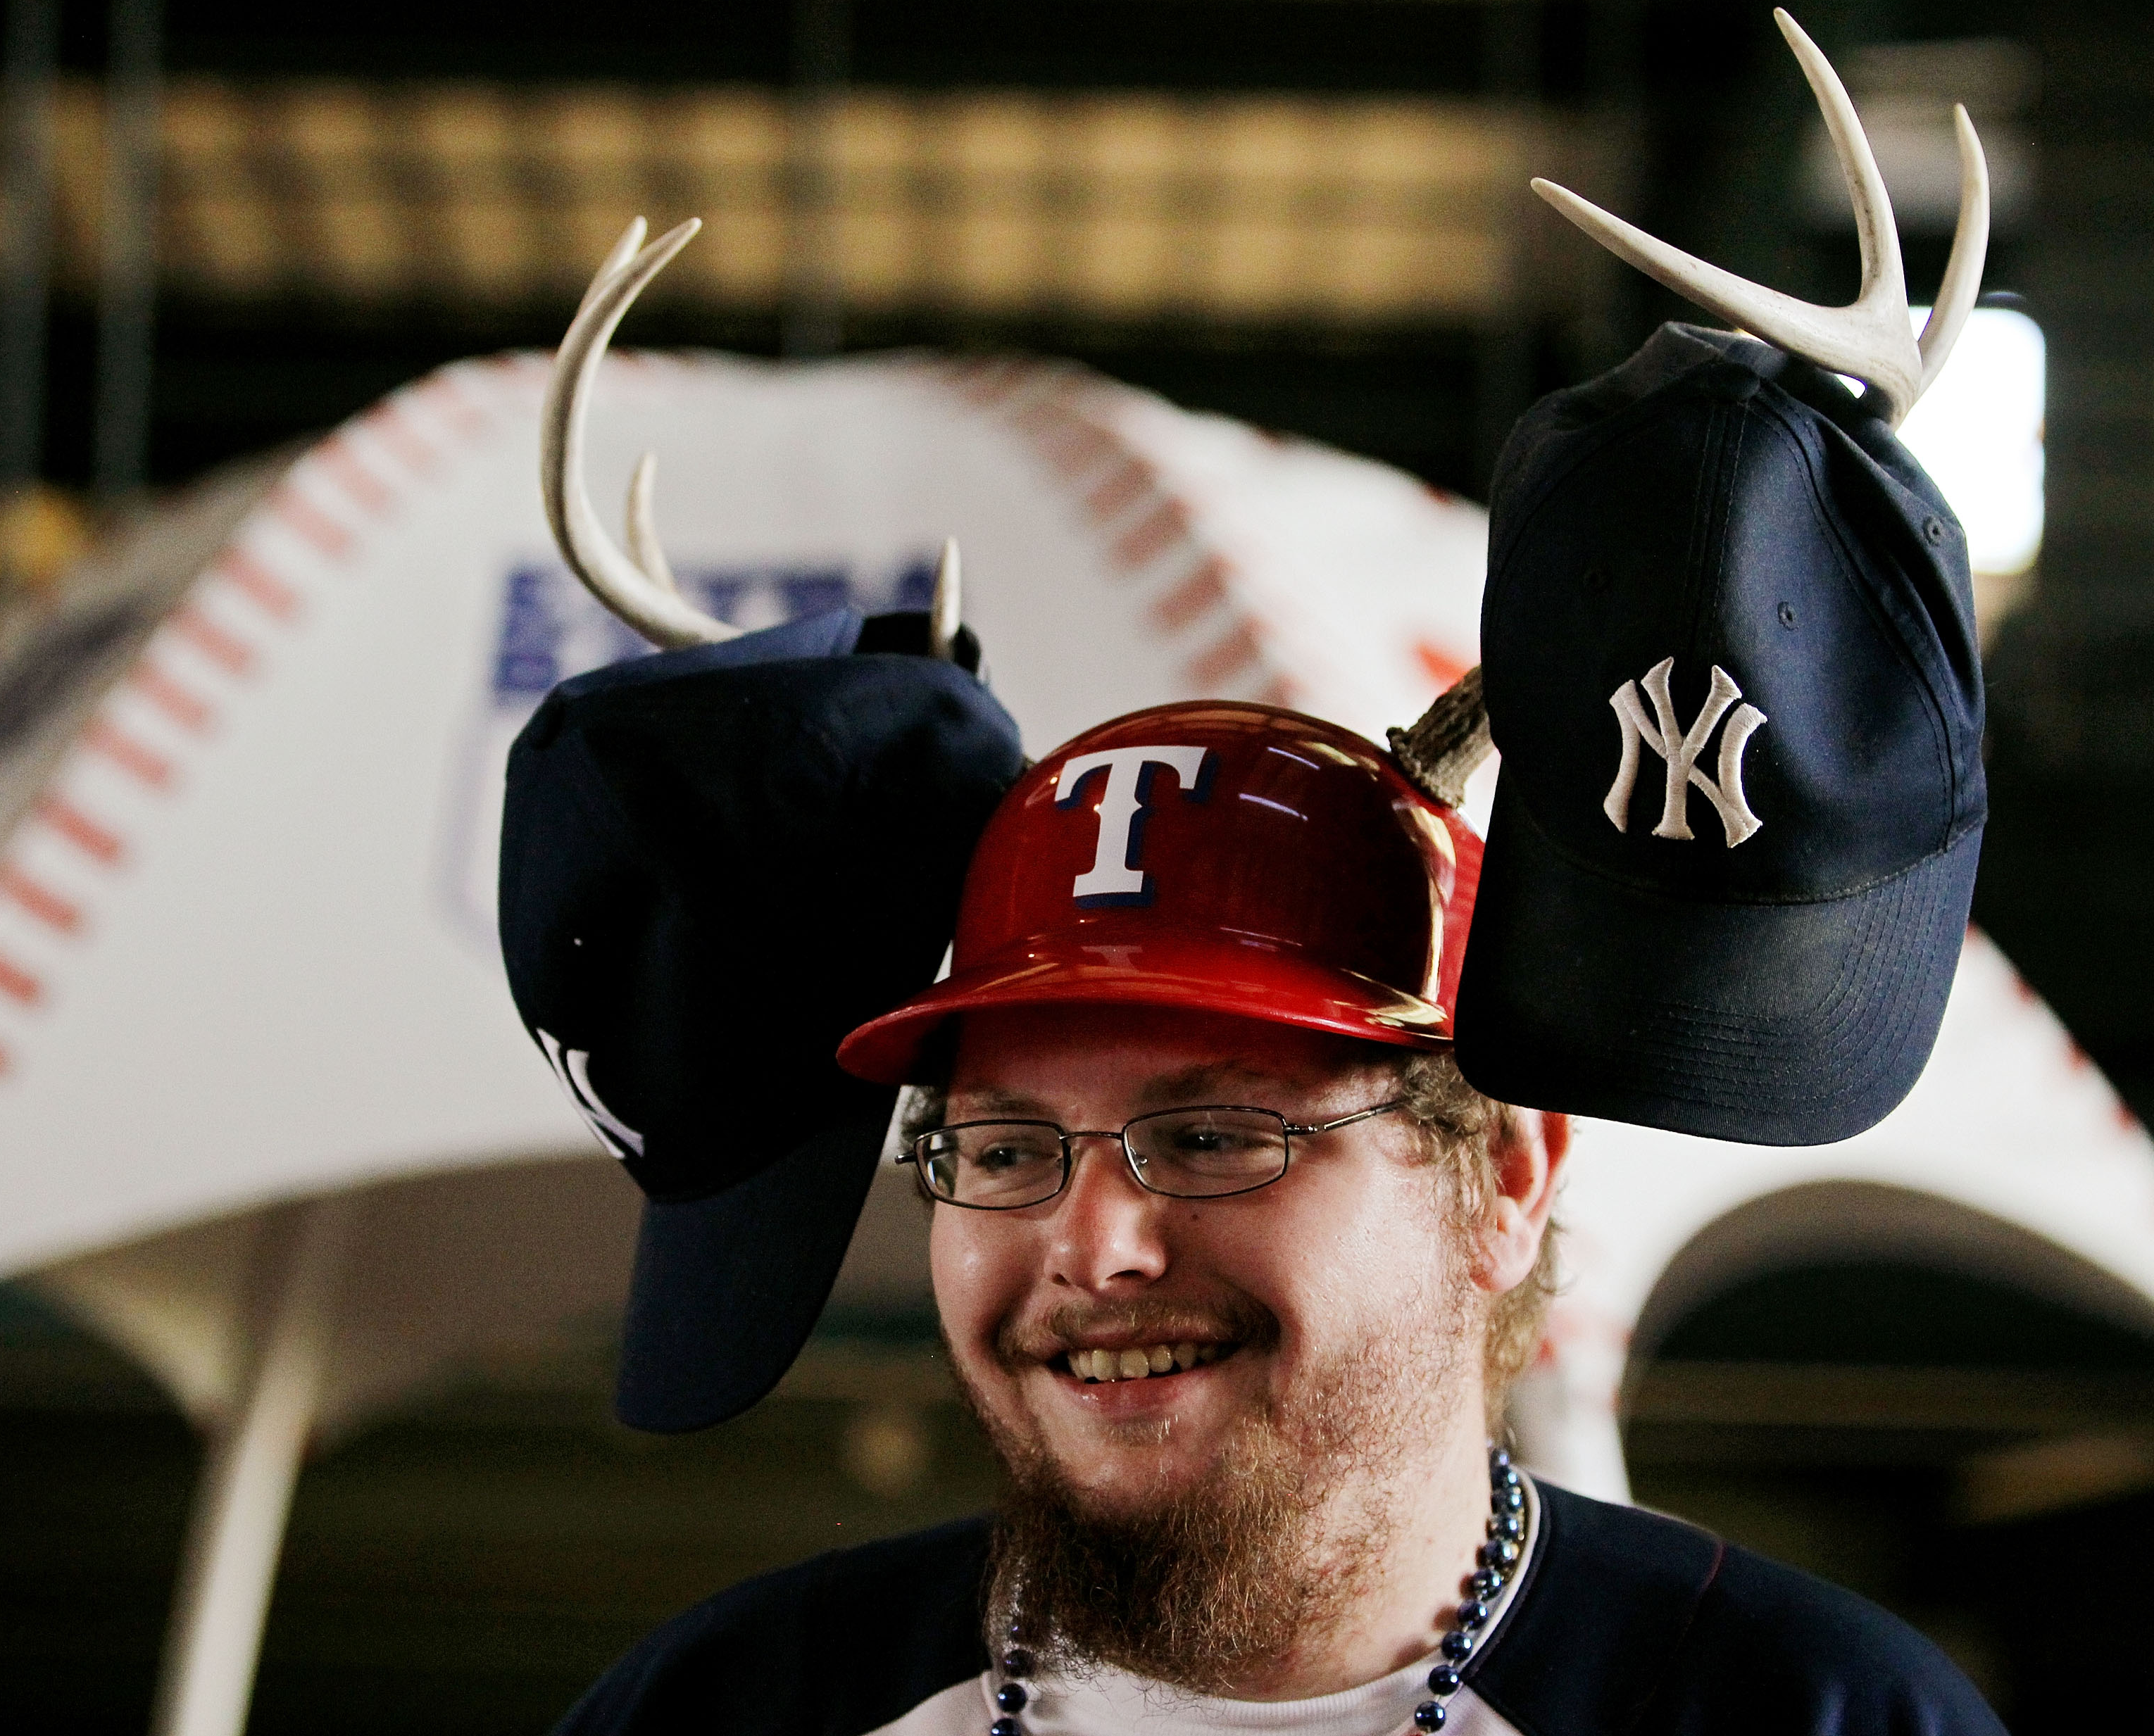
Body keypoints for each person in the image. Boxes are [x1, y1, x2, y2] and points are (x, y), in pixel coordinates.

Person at [554, 702, 2006, 1736]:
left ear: (1495, 1174)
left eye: (1210, 1136)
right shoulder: (724, 1700)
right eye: (1002, 1148)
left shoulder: (1816, 1710)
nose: (1095, 1245)